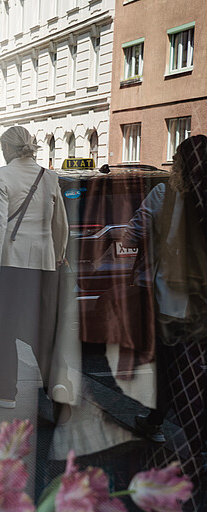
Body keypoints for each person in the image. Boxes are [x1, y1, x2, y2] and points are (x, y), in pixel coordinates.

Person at [126, 135, 207, 507]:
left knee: (167, 368)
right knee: (195, 375)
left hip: (169, 304)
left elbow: (134, 231)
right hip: (201, 308)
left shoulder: (161, 196)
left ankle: (160, 422)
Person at [0, 126, 69, 409]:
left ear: (7, 148)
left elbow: (0, 224)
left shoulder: (0, 175)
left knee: (3, 327)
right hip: (45, 263)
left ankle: (5, 391)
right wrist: (58, 254)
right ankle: (57, 383)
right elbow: (60, 223)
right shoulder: (49, 176)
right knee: (44, 327)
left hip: (12, 262)